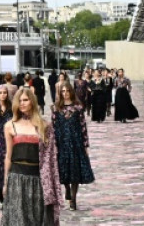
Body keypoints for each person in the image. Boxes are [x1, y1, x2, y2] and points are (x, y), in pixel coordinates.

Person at [1, 87, 62, 226]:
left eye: (25, 100)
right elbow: (8, 156)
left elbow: (51, 158)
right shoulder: (10, 126)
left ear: (32, 101)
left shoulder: (44, 126)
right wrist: (5, 182)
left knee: (37, 219)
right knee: (18, 220)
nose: (22, 103)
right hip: (17, 178)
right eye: (19, 100)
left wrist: (50, 184)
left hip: (38, 179)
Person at [52, 81, 94, 211]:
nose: (65, 93)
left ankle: (73, 200)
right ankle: (67, 188)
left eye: (67, 91)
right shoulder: (56, 108)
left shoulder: (78, 108)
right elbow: (53, 128)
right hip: (62, 142)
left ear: (71, 91)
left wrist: (86, 145)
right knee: (63, 169)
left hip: (76, 142)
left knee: (75, 170)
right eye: (63, 91)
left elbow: (83, 127)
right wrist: (54, 145)